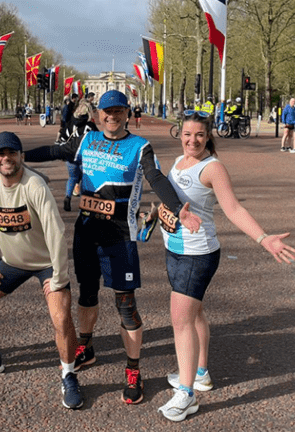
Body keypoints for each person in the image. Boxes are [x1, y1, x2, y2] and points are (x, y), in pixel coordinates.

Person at [24, 89, 201, 405]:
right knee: (87, 293)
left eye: (118, 111)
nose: (112, 116)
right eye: (106, 111)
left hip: (120, 235)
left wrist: (176, 206)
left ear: (127, 114)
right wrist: (12, 155)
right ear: (97, 115)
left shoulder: (139, 146)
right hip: (87, 230)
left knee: (126, 305)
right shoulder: (86, 140)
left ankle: (133, 370)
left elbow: (155, 177)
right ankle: (86, 346)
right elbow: (53, 151)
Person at [139, 109, 295, 421]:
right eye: (187, 134)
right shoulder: (180, 161)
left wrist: (265, 239)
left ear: (208, 136)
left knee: (181, 321)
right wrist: (154, 215)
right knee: (195, 314)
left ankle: (186, 395)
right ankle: (199, 373)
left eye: (199, 135)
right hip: (175, 249)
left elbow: (234, 209)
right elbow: (173, 198)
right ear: (180, 134)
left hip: (196, 255)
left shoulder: (214, 169)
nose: (192, 140)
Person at [0, 132, 84, 409]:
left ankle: (69, 374)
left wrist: (59, 276)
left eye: (12, 153)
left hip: (46, 264)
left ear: (21, 157)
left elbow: (55, 232)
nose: (6, 158)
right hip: (12, 262)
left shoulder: (34, 185)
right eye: (0, 154)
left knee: (61, 317)